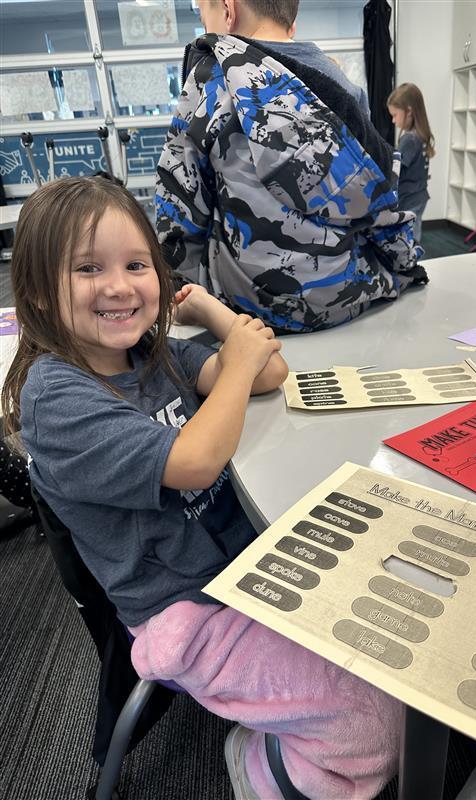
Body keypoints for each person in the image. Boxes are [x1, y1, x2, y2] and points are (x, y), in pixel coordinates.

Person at [3, 176, 405, 800]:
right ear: (36, 293)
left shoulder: (151, 354)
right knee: (372, 732)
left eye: (137, 264)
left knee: (394, 635)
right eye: (88, 268)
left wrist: (209, 312)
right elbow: (193, 460)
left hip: (244, 567)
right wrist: (238, 359)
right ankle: (255, 766)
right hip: (186, 613)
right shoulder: (56, 398)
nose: (118, 285)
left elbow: (266, 372)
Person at [155, 0, 427, 334]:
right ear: (291, 21)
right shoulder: (340, 83)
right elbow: (375, 194)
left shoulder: (212, 82)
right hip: (342, 300)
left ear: (228, 10)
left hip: (245, 312)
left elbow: (181, 198)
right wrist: (405, 265)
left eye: (203, 16)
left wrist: (175, 285)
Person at [387, 83, 436, 242]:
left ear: (409, 111)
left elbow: (395, 169)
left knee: (406, 240)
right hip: (419, 195)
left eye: (395, 115)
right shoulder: (422, 135)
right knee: (414, 236)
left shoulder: (409, 139)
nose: (393, 120)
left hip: (409, 199)